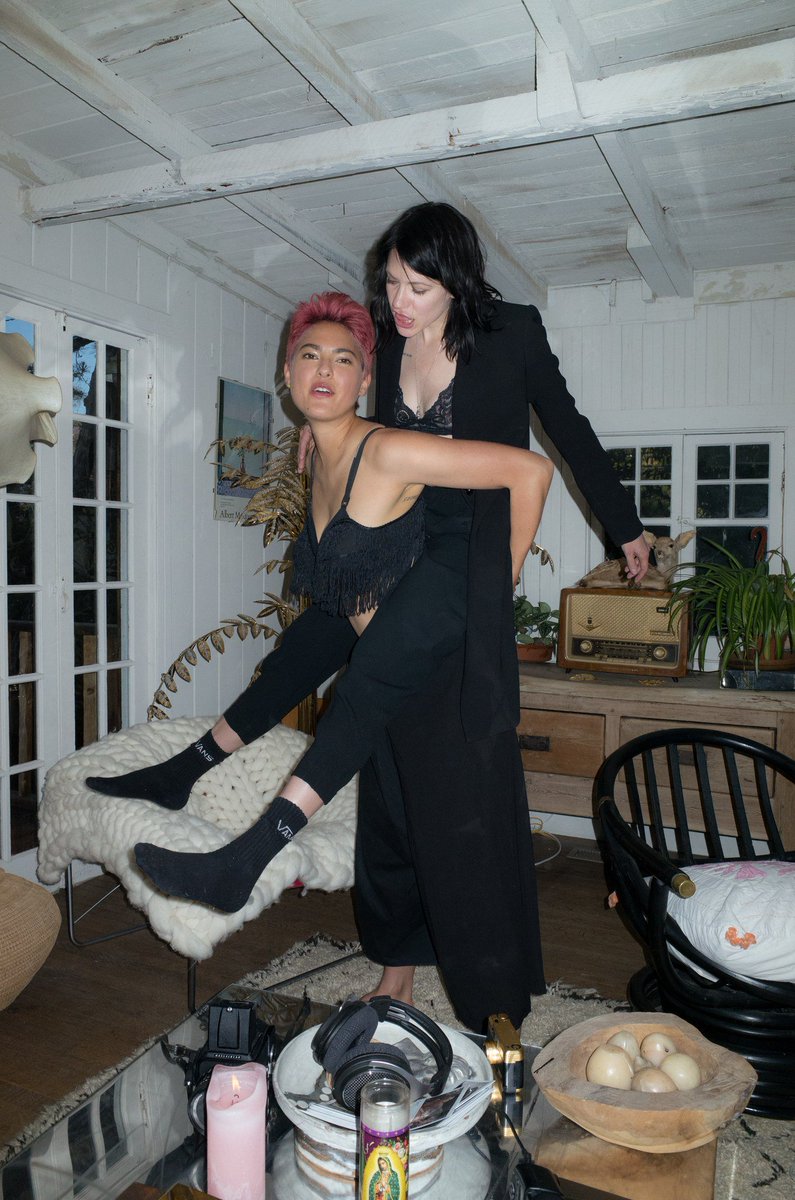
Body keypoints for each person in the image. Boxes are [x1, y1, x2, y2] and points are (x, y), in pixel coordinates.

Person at [90, 203, 646, 1029]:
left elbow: (562, 432)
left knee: (368, 680)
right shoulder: (384, 342)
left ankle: (250, 851)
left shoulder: (510, 333)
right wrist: (325, 437)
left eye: (418, 287)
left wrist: (615, 528)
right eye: (390, 284)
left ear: (456, 280)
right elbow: (353, 410)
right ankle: (192, 770)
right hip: (404, 541)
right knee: (319, 645)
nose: (400, 302)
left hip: (470, 551)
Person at [127, 291, 553, 918]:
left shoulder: (388, 449)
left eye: (344, 360)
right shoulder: (320, 457)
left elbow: (532, 472)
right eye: (310, 356)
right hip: (379, 650)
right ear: (288, 372)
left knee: (370, 717)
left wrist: (498, 586)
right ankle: (181, 772)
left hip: (428, 676)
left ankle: (243, 863)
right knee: (302, 656)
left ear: (366, 380)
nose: (325, 370)